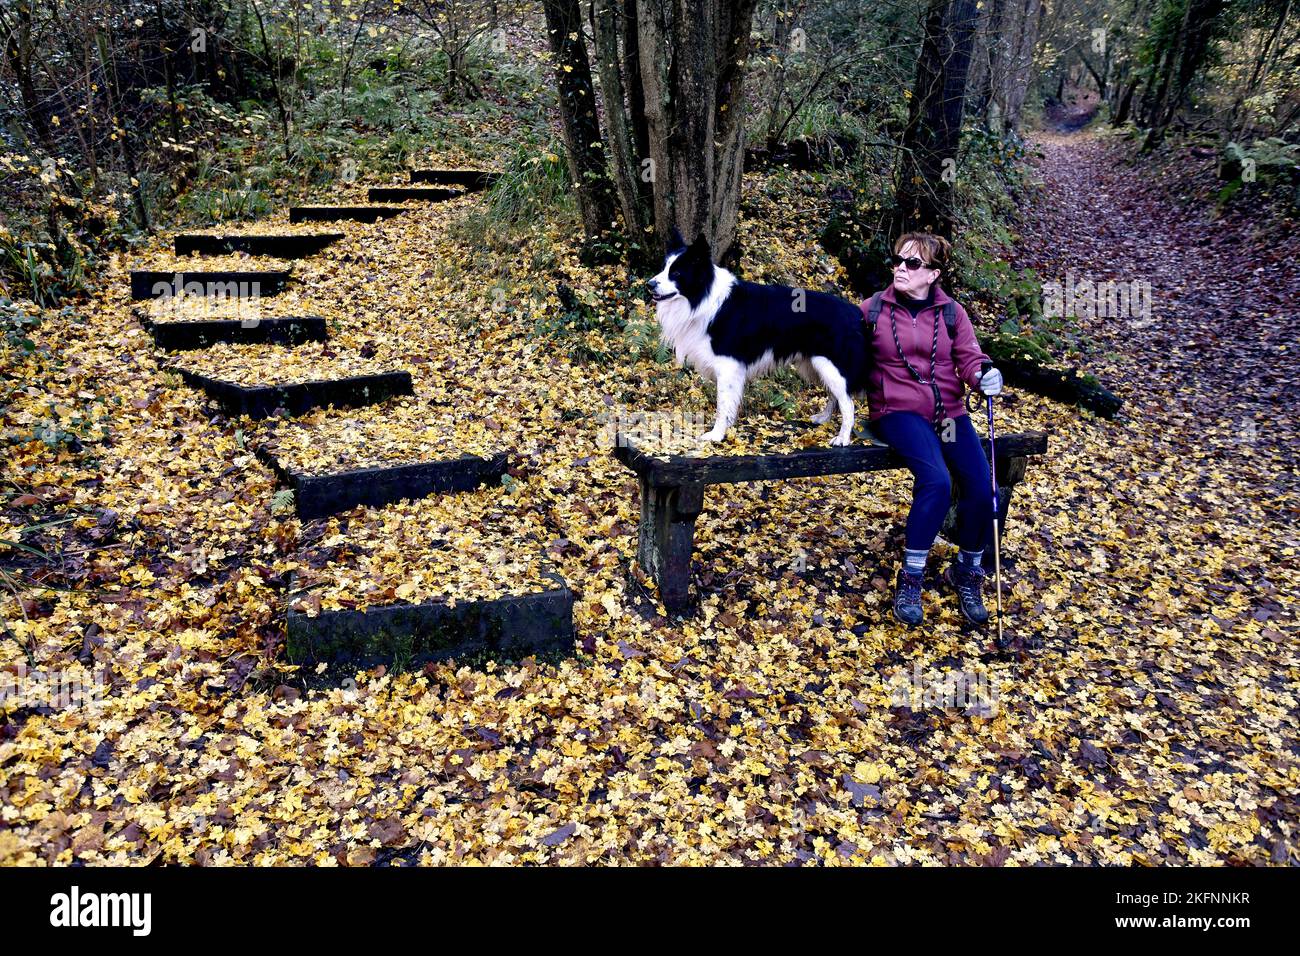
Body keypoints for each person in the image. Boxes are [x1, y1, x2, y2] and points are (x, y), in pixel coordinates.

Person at [861, 233, 1004, 627]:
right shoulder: (872, 309)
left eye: (912, 264)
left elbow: (972, 359)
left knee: (982, 487)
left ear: (934, 274)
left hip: (947, 416)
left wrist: (985, 376)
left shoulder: (952, 313)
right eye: (898, 260)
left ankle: (968, 571)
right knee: (937, 482)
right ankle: (911, 577)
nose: (900, 269)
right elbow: (842, 347)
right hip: (897, 412)